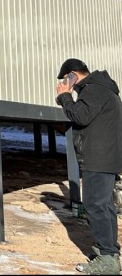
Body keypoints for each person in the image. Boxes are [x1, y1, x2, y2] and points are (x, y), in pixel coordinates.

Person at [56, 58, 122, 275]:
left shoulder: (93, 89)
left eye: (66, 79)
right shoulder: (103, 88)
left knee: (95, 206)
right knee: (104, 206)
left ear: (73, 75)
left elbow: (80, 116)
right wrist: (67, 99)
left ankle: (108, 260)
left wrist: (65, 96)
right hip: (106, 157)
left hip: (98, 158)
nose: (66, 84)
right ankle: (109, 253)